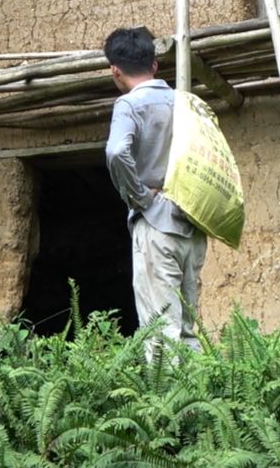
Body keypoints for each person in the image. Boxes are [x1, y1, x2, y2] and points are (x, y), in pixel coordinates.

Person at [103, 27, 207, 352]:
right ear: (155, 66)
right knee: (187, 328)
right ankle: (200, 400)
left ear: (115, 71)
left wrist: (140, 197)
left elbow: (117, 151)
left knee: (161, 330)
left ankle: (169, 403)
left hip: (157, 224)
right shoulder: (186, 102)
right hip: (192, 223)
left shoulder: (129, 105)